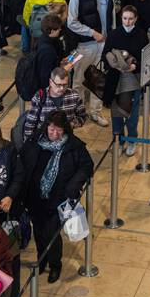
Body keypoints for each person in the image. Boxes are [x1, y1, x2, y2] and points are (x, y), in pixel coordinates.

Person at [20, 111, 93, 284]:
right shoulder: (35, 141)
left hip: (58, 198)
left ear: (65, 129)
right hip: (34, 197)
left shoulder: (74, 147)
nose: (54, 133)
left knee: (51, 232)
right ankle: (42, 259)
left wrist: (73, 187)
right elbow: (23, 163)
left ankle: (55, 265)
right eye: (51, 129)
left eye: (59, 130)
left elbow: (86, 166)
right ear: (46, 127)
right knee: (38, 230)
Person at [66, 0, 112, 127]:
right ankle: (78, 112)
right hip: (85, 44)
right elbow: (71, 22)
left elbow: (110, 15)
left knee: (99, 79)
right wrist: (92, 32)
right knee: (79, 79)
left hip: (103, 42)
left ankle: (95, 112)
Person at [103, 3, 147, 157]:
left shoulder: (141, 35)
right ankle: (119, 141)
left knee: (131, 114)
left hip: (132, 79)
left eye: (130, 19)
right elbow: (105, 54)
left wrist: (135, 66)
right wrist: (114, 62)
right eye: (124, 18)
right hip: (116, 78)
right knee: (116, 112)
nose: (127, 22)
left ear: (135, 19)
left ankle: (132, 140)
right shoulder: (114, 34)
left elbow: (146, 58)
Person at [21, 65, 86, 143]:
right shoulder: (39, 97)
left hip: (65, 139)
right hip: (43, 140)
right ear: (51, 82)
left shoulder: (74, 96)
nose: (62, 88)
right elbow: (30, 123)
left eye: (65, 85)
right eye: (58, 85)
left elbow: (83, 116)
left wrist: (70, 125)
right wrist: (28, 143)